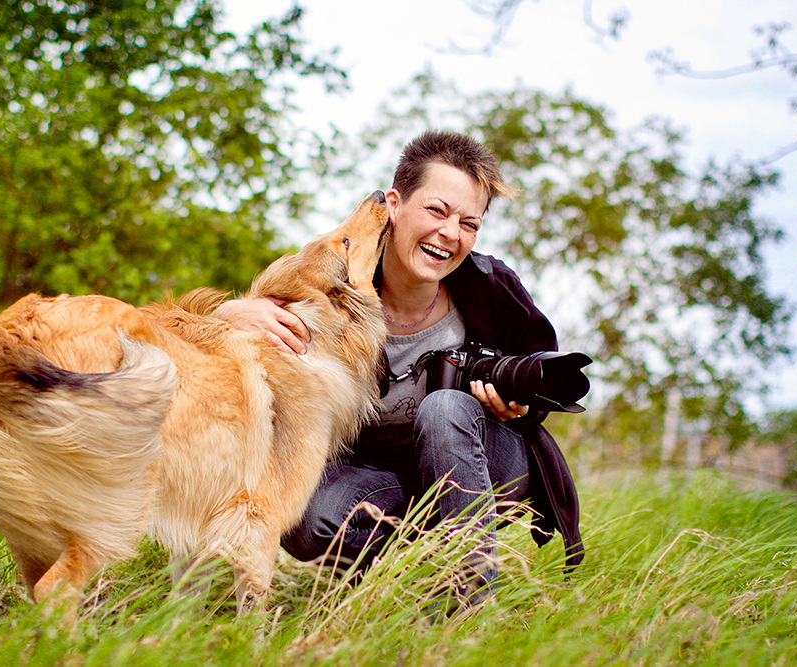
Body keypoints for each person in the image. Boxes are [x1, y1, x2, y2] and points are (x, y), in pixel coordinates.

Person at [214, 130, 583, 607]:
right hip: (380, 477)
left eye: (469, 223)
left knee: (446, 408)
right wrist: (230, 315)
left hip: (480, 460)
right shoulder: (336, 275)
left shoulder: (492, 286)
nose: (450, 233)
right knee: (306, 513)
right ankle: (381, 600)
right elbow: (221, 351)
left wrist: (517, 407)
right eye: (436, 210)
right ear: (394, 203)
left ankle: (467, 607)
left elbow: (542, 368)